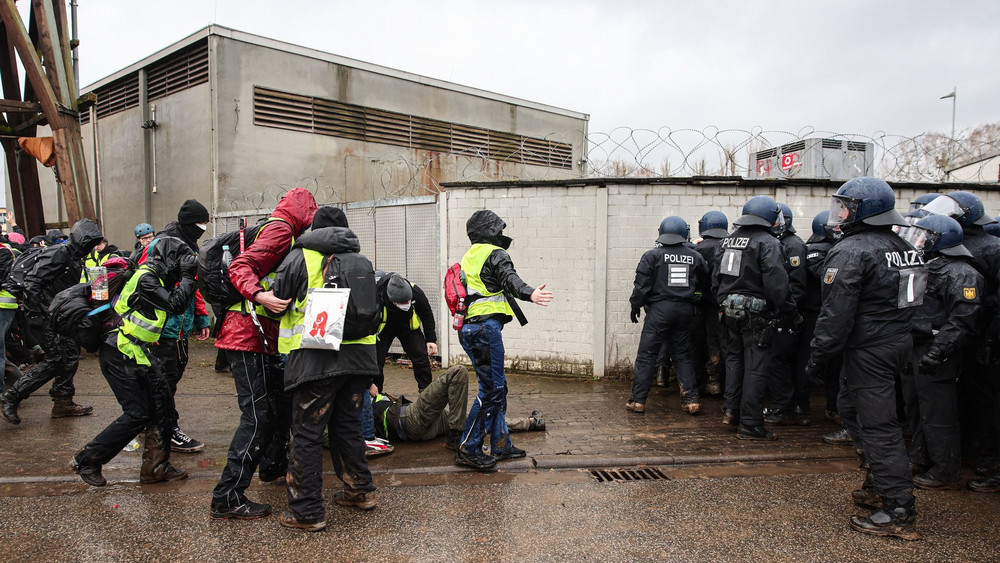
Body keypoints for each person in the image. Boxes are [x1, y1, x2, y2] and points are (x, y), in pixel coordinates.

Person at [806, 177, 922, 540]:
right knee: (854, 410)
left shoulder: (852, 251)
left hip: (870, 350)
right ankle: (877, 484)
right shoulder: (904, 247)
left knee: (879, 427)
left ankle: (898, 509)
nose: (839, 214)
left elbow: (835, 314)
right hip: (897, 343)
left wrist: (818, 357)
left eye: (845, 208)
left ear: (863, 211)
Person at [210, 188, 317, 521]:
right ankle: (227, 496)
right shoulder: (281, 230)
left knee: (276, 407)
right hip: (245, 334)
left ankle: (271, 467)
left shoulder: (281, 230)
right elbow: (241, 266)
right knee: (257, 415)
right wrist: (261, 296)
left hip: (256, 335)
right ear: (304, 213)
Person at [271, 205, 378, 532]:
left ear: (314, 229)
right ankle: (359, 491)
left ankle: (306, 511)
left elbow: (278, 301)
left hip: (316, 358)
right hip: (360, 360)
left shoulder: (299, 257)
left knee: (307, 431)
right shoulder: (361, 260)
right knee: (348, 426)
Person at [70, 236, 199, 486]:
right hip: (119, 353)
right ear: (171, 260)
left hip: (136, 351)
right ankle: (87, 459)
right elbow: (176, 304)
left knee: (162, 407)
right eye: (182, 262)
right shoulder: (146, 278)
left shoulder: (156, 277)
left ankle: (155, 468)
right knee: (138, 413)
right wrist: (187, 277)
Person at [454, 210, 552, 472]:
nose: (502, 233)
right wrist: (530, 293)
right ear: (490, 231)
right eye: (498, 229)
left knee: (498, 387)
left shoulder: (470, 255)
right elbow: (510, 279)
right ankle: (469, 448)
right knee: (491, 390)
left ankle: (500, 444)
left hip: (470, 328)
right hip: (485, 329)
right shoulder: (495, 253)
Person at [921, 191, 1000, 492]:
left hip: (982, 335)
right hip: (957, 337)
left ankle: (991, 459)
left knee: (985, 401)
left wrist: (990, 339)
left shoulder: (992, 247)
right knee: (957, 400)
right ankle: (968, 451)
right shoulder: (943, 245)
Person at [897, 214, 981, 490]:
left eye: (925, 237)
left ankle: (945, 469)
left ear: (940, 240)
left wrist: (938, 352)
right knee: (915, 407)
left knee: (938, 413)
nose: (919, 242)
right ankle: (920, 457)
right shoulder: (926, 266)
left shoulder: (962, 272)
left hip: (937, 350)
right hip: (915, 347)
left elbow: (962, 320)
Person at [1, 219, 104, 425]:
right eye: (89, 242)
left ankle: (62, 401)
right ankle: (12, 396)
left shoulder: (75, 257)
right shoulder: (60, 253)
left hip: (61, 315)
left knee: (71, 356)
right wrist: (35, 316)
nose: (91, 247)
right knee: (55, 359)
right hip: (47, 316)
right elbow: (32, 282)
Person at [713, 195, 795, 440]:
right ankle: (750, 425)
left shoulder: (727, 241)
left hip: (728, 311)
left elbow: (716, 279)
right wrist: (788, 310)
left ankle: (731, 411)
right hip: (756, 315)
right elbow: (777, 283)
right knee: (756, 368)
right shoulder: (768, 242)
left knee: (734, 362)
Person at [144, 200, 213, 453]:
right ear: (188, 223)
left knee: (169, 381)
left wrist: (201, 318)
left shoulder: (188, 245)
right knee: (164, 383)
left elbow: (191, 285)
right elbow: (148, 286)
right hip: (162, 329)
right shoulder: (163, 245)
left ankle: (155, 425)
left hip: (180, 328)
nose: (203, 227)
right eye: (200, 222)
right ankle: (166, 430)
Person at [627, 216, 708, 415]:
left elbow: (641, 286)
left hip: (659, 311)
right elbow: (705, 283)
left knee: (647, 355)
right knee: (683, 356)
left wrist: (635, 305)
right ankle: (691, 401)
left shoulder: (652, 256)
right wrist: (696, 297)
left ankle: (638, 401)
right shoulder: (695, 256)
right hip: (685, 311)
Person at [371, 365, 544, 448]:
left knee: (474, 421)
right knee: (457, 372)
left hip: (424, 427)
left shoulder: (369, 399)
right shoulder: (364, 402)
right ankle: (456, 435)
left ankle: (530, 423)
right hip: (411, 419)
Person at [764, 203, 809, 426]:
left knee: (780, 361)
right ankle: (792, 406)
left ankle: (788, 408)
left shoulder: (793, 245)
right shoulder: (777, 243)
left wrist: (784, 311)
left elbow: (796, 286)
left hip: (787, 315)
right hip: (781, 313)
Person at [374, 273, 438, 392]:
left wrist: (431, 339)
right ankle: (376, 394)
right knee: (376, 361)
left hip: (407, 327)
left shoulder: (416, 292)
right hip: (385, 328)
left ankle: (426, 392)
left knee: (421, 357)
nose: (406, 305)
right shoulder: (377, 294)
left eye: (408, 302)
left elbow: (427, 315)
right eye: (403, 304)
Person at [694, 210, 729, 395]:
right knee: (722, 342)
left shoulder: (699, 249)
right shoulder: (731, 246)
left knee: (700, 343)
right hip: (724, 304)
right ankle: (718, 382)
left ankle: (704, 381)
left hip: (702, 305)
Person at [0, 239, 20, 394]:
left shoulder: (3, 252)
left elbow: (2, 277)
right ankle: (19, 384)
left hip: (3, 306)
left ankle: (6, 390)